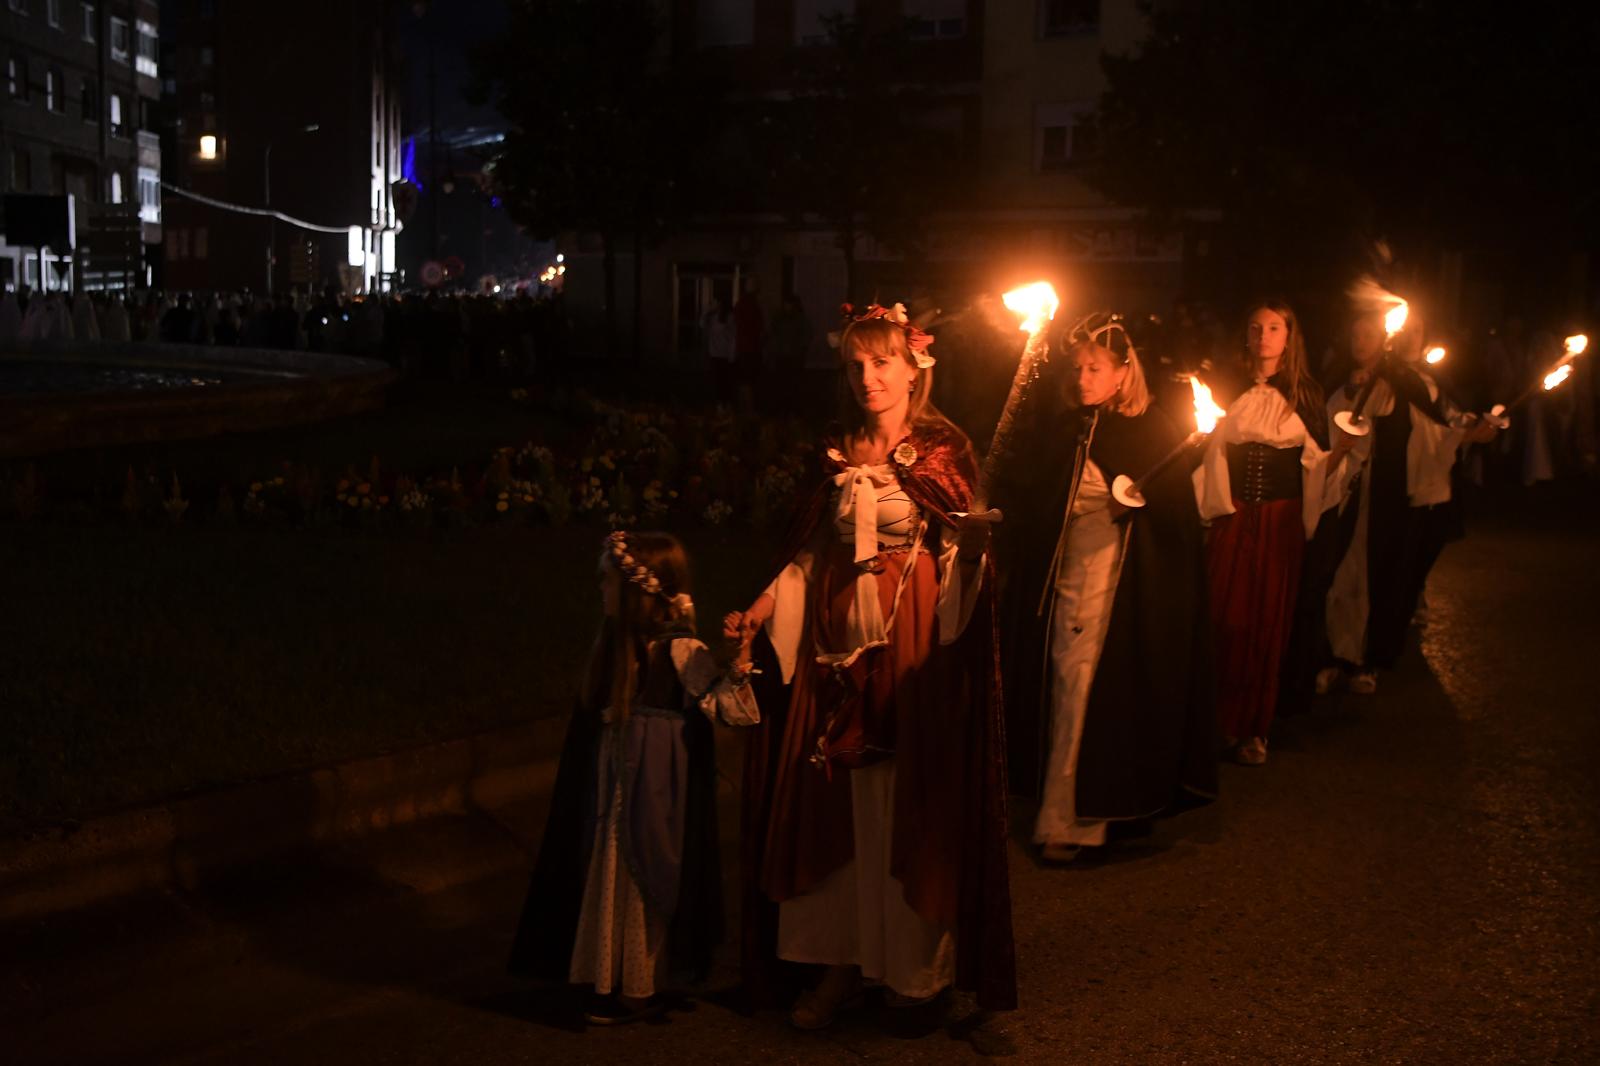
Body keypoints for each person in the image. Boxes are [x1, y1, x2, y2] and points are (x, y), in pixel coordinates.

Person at [729, 303, 1015, 1027]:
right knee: (829, 809)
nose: (868, 378)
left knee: (900, 806)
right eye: (856, 364)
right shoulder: (834, 447)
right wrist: (766, 603)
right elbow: (809, 549)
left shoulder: (943, 452)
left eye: (882, 361)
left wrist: (974, 553)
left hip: (909, 645)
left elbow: (959, 557)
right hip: (828, 653)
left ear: (913, 366)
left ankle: (914, 972)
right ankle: (838, 968)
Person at [508, 531, 760, 1026]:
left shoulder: (680, 649)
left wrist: (741, 657)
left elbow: (730, 710)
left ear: (638, 591)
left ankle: (627, 985)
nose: (601, 589)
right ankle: (617, 983)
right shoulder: (617, 645)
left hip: (654, 787)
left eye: (607, 580)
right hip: (624, 787)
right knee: (621, 871)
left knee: (644, 871)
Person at [999, 314, 1215, 862]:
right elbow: (1041, 500)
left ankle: (1073, 822)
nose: (1082, 377)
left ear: (1123, 372)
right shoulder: (1070, 426)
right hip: (1064, 579)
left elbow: (1177, 525)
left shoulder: (1152, 429)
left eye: (1095, 368)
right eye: (1077, 367)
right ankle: (1059, 805)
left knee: (1083, 687)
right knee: (1059, 684)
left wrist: (1134, 511)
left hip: (1118, 587)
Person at [1319, 313, 1490, 694]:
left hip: (1388, 500)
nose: (1360, 340)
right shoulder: (1336, 381)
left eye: (1369, 334)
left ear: (1384, 340)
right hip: (1345, 495)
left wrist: (1471, 432)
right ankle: (1330, 655)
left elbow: (1441, 425)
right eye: (1355, 332)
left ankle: (1366, 660)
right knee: (1338, 573)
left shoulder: (1408, 384)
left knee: (1381, 574)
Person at [1194, 300, 1331, 765]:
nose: (1264, 335)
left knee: (1266, 622)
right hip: (1233, 514)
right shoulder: (1225, 388)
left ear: (1289, 337)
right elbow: (1207, 452)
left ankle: (1255, 726)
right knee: (1225, 616)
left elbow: (1320, 465)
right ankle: (1217, 720)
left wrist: (1343, 453)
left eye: (1274, 328)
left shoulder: (1307, 396)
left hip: (1279, 520)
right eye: (1256, 327)